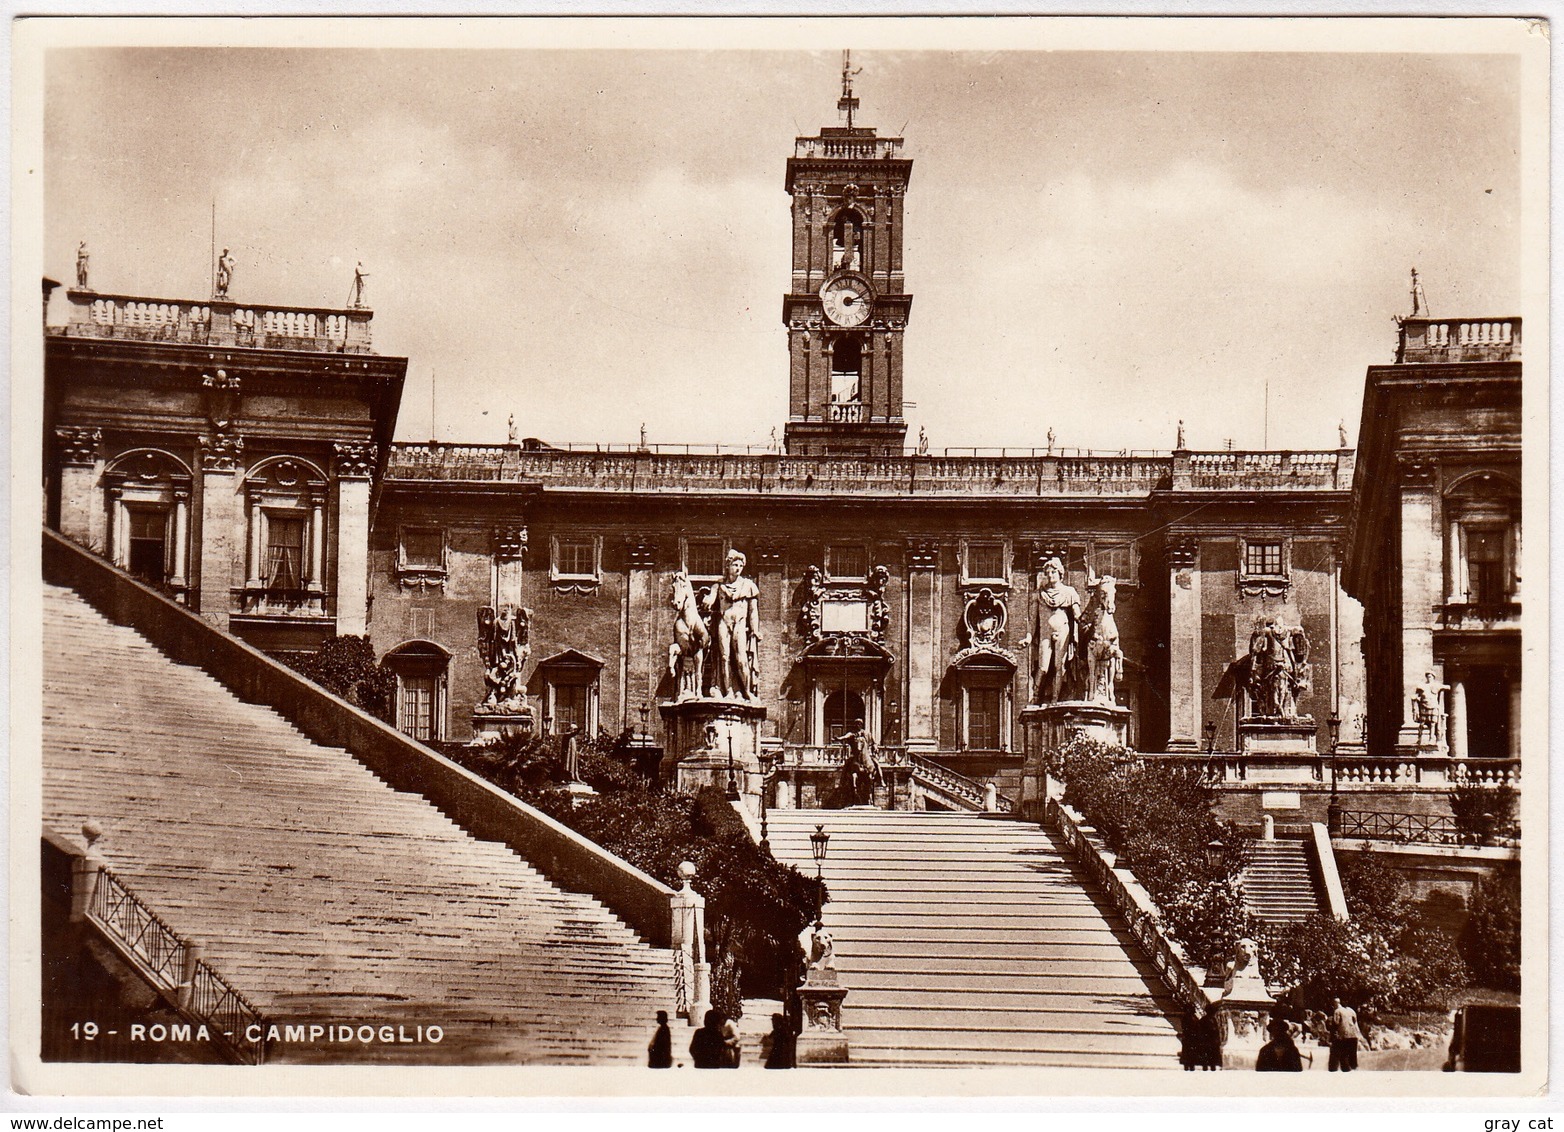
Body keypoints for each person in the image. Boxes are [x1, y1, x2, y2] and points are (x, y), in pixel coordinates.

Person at [702, 549, 761, 700]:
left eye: (740, 565)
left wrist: (755, 630)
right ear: (728, 566)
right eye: (735, 564)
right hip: (724, 623)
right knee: (724, 657)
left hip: (740, 625)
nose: (738, 568)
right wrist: (707, 601)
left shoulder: (748, 586)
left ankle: (747, 691)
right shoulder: (719, 586)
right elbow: (710, 598)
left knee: (741, 658)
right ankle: (727, 690)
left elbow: (753, 611)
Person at [1328, 996, 1362, 1071]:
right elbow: (1355, 1022)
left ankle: (1344, 1072)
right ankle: (1354, 1071)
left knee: (1343, 1056)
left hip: (1345, 1035)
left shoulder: (1337, 1011)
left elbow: (1336, 1023)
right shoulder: (1351, 1010)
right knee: (1353, 1056)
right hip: (1354, 1035)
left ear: (1335, 1004)